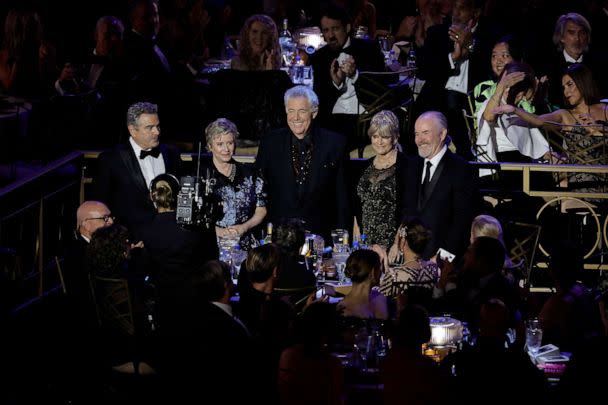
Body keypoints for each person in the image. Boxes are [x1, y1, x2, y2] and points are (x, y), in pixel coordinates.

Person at [492, 63, 608, 199]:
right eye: (564, 87)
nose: (566, 92)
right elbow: (539, 121)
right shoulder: (565, 115)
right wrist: (515, 110)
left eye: (570, 84)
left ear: (583, 81)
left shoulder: (605, 109)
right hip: (581, 181)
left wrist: (599, 130)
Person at [255, 85, 349, 242]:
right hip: (279, 237)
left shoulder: (335, 143)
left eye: (302, 111)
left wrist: (341, 240)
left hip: (320, 236)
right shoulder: (270, 142)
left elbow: (342, 198)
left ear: (314, 112)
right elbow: (259, 190)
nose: (295, 117)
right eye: (291, 111)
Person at [414, 0, 501, 160]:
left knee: (453, 102)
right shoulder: (437, 33)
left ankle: (464, 159)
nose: (455, 13)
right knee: (425, 108)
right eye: (454, 7)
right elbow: (423, 70)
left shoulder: (490, 36)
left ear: (475, 12)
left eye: (462, 8)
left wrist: (469, 45)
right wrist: (453, 57)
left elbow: (492, 71)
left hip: (469, 102)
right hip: (436, 99)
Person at [137, 173, 218, 332]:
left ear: (153, 197)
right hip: (195, 305)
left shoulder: (146, 231)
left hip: (163, 306)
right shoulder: (195, 228)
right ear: (179, 196)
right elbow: (211, 259)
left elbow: (147, 268)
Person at [395, 111, 478, 261]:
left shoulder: (461, 169)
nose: (420, 140)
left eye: (425, 133)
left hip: (445, 265)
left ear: (442, 134)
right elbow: (406, 210)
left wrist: (440, 259)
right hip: (412, 261)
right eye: (416, 134)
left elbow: (462, 221)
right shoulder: (411, 166)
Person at [94, 101, 181, 234]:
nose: (156, 132)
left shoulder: (171, 153)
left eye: (158, 126)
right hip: (131, 239)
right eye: (149, 127)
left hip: (169, 235)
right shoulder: (111, 159)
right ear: (132, 130)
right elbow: (100, 204)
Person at [308, 2, 385, 150]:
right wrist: (336, 83)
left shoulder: (369, 50)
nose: (330, 35)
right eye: (326, 30)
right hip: (333, 122)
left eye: (335, 29)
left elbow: (379, 91)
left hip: (365, 121)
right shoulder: (319, 58)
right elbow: (319, 100)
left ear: (347, 28)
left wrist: (355, 76)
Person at [476, 62, 550, 180]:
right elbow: (489, 117)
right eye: (519, 93)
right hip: (505, 163)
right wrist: (500, 87)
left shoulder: (516, 108)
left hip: (522, 160)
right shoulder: (491, 103)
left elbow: (536, 125)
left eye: (523, 94)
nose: (521, 97)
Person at [203, 118, 267, 250]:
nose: (226, 149)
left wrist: (244, 227)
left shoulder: (250, 173)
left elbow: (261, 210)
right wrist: (219, 232)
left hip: (246, 246)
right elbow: (193, 217)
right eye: (220, 144)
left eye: (230, 143)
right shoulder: (201, 176)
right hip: (211, 247)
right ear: (210, 146)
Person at [356, 110, 410, 249]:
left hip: (393, 244)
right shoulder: (364, 166)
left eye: (384, 137)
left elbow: (409, 209)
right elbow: (357, 206)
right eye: (375, 136)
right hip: (366, 243)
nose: (379, 142)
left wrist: (398, 244)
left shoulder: (406, 166)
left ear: (395, 138)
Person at [378, 217, 439, 312]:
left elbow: (379, 304)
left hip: (403, 324)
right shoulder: (433, 270)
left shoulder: (394, 276)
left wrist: (384, 266)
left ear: (403, 242)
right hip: (426, 322)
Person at [472, 35, 525, 115]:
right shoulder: (483, 87)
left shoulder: (527, 86)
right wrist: (501, 86)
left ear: (517, 60)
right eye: (494, 56)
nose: (498, 61)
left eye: (505, 55)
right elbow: (481, 120)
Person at [337, 249, 389, 320]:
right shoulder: (379, 300)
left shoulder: (341, 309)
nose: (381, 272)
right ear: (373, 272)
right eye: (379, 267)